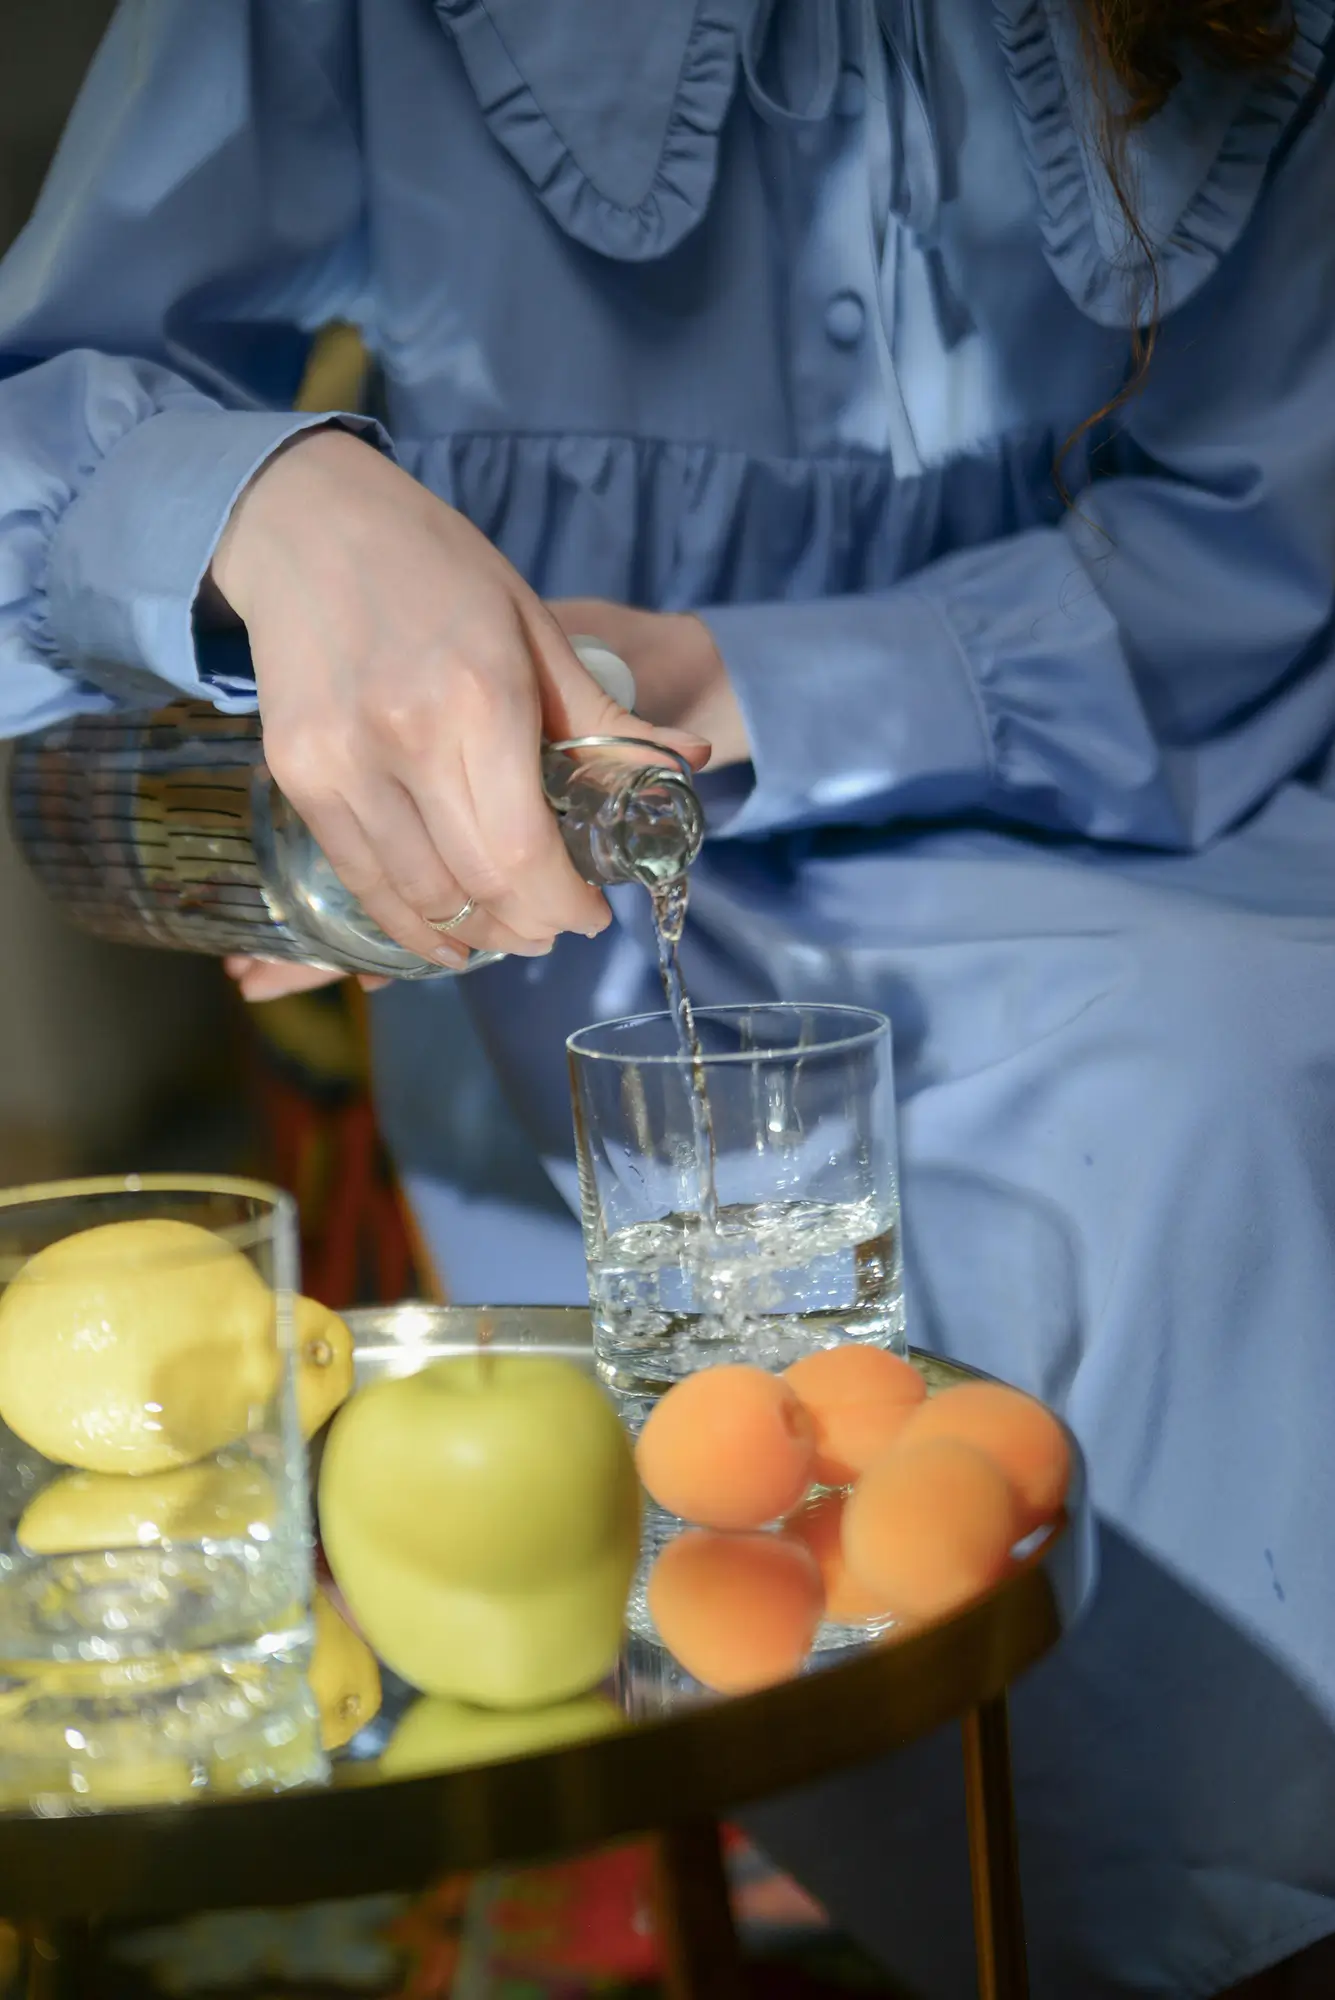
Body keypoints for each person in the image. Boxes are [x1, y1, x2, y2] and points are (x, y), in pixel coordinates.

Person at [2, 0, 1335, 1990]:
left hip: (1163, 781)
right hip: (582, 911)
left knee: (1251, 1078)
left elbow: (1256, 555)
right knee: (1196, 1126)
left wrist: (741, 685)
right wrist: (273, 506)